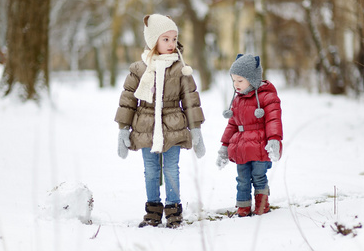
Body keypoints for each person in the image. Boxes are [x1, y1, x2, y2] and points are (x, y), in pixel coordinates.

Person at [115, 14, 206, 228]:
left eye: (174, 39)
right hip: (146, 125)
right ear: (153, 40)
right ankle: (153, 211)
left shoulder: (181, 69)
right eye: (166, 39)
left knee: (171, 168)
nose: (172, 44)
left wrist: (196, 130)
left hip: (173, 125)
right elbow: (128, 100)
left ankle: (174, 211)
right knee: (151, 169)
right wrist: (122, 130)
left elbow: (191, 100)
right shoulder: (139, 69)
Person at [216, 53, 283, 217]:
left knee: (259, 176)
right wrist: (224, 147)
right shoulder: (237, 100)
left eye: (240, 80)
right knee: (242, 178)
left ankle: (261, 205)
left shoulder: (268, 97)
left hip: (260, 146)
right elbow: (232, 124)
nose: (236, 85)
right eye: (234, 80)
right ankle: (243, 206)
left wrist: (274, 140)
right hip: (241, 148)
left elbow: (274, 120)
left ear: (252, 79)